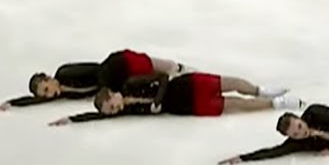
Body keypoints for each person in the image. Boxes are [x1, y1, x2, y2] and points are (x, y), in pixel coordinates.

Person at [48, 72, 299, 124]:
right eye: (112, 112)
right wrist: (71, 119)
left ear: (113, 94)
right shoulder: (128, 112)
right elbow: (94, 116)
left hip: (186, 84)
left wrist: (158, 98)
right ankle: (274, 104)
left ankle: (261, 90)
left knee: (231, 83)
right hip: (187, 105)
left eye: (112, 106)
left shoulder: (129, 83)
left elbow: (162, 76)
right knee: (234, 105)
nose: (115, 110)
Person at [0, 49, 189, 112]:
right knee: (150, 78)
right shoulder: (63, 93)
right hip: (115, 82)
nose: (52, 94)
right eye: (46, 95)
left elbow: (95, 67)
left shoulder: (64, 73)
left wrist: (107, 85)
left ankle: (177, 68)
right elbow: (33, 100)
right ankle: (176, 73)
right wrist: (10, 104)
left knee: (156, 66)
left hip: (114, 67)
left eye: (48, 88)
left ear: (49, 77)